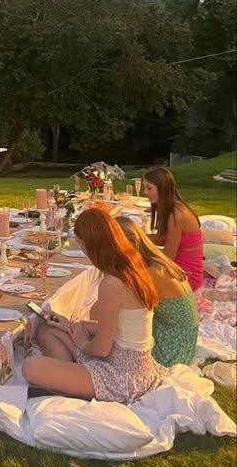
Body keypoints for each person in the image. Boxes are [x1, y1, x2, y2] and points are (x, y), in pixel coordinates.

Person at [22, 209, 167, 404]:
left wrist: (82, 343)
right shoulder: (133, 267)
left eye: (82, 246)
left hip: (121, 376)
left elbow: (101, 349)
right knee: (48, 330)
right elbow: (118, 328)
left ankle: (71, 387)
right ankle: (70, 382)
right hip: (128, 361)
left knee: (30, 367)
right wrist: (72, 325)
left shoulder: (112, 283)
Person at [116, 216, 198, 367]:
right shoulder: (156, 261)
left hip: (170, 348)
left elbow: (125, 312)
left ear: (131, 244)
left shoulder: (151, 272)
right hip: (180, 338)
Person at [145, 167, 204, 292]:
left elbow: (168, 257)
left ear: (163, 189)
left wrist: (142, 254)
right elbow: (161, 239)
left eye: (149, 188)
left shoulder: (177, 214)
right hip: (177, 267)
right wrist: (133, 235)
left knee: (135, 277)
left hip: (187, 275)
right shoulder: (170, 208)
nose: (145, 192)